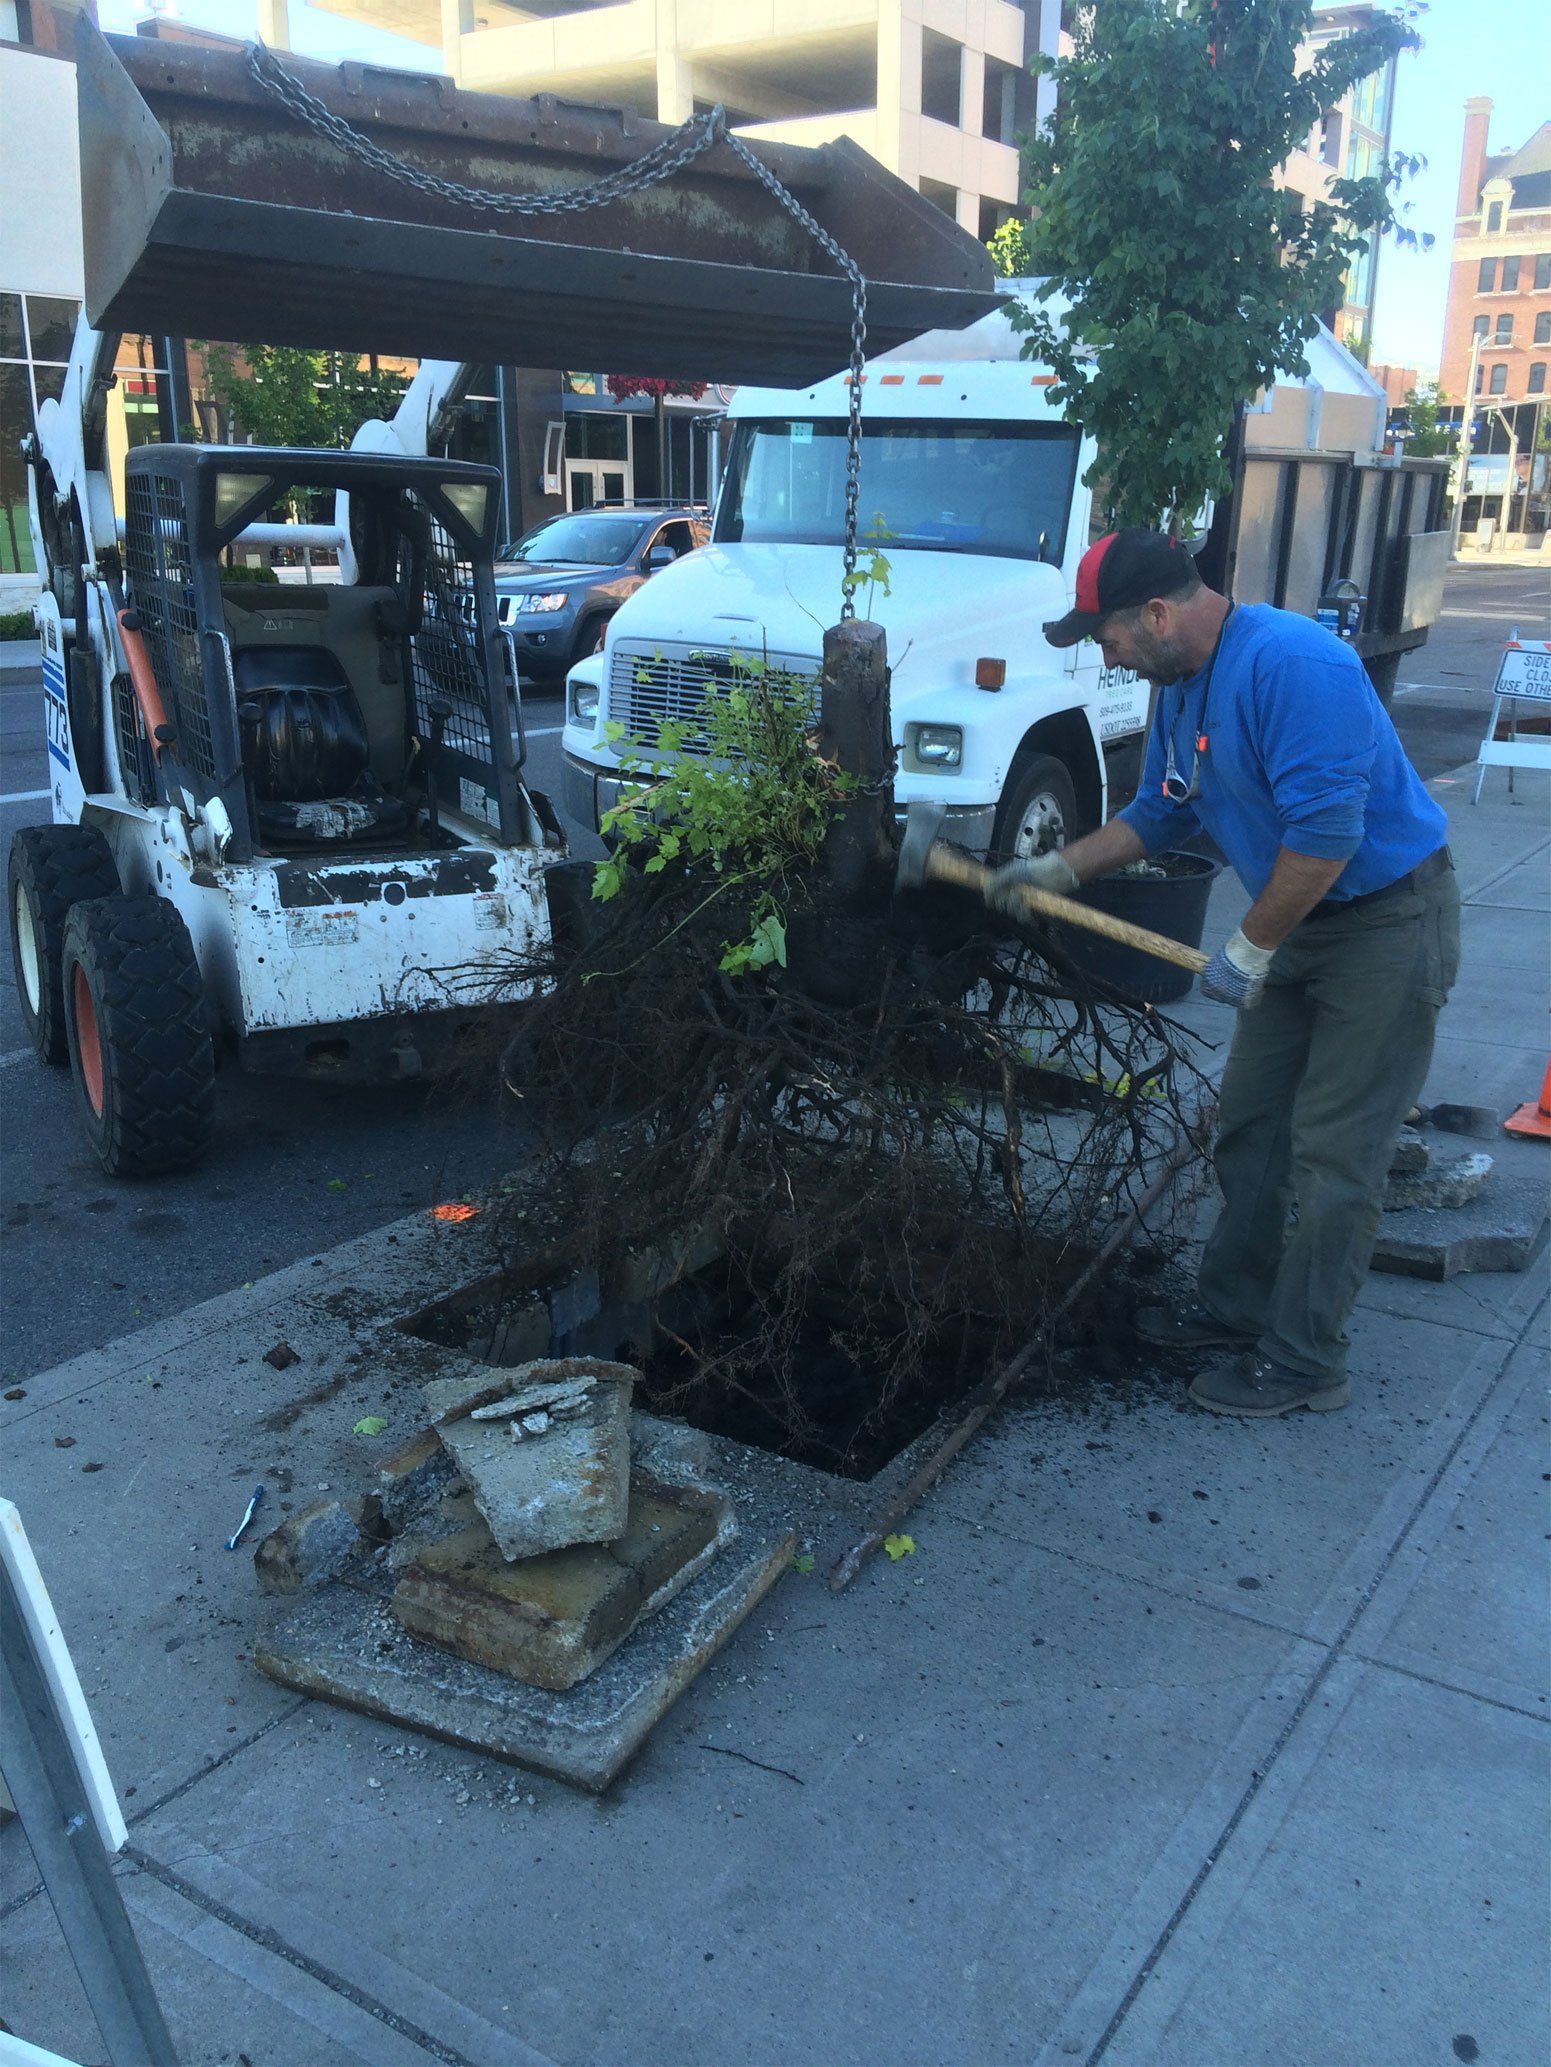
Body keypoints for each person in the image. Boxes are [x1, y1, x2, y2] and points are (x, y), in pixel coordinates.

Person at [991, 528, 1459, 1416]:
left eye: (1107, 635)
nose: (1106, 652)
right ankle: (1235, 1307)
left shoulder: (1293, 665)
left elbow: (1326, 839)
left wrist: (1248, 948)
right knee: (1248, 1124)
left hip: (1383, 925)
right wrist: (1061, 867)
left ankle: (1304, 1357)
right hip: (1297, 921)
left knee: (1333, 1155)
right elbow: (1159, 811)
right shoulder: (1180, 685)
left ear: (1156, 613)